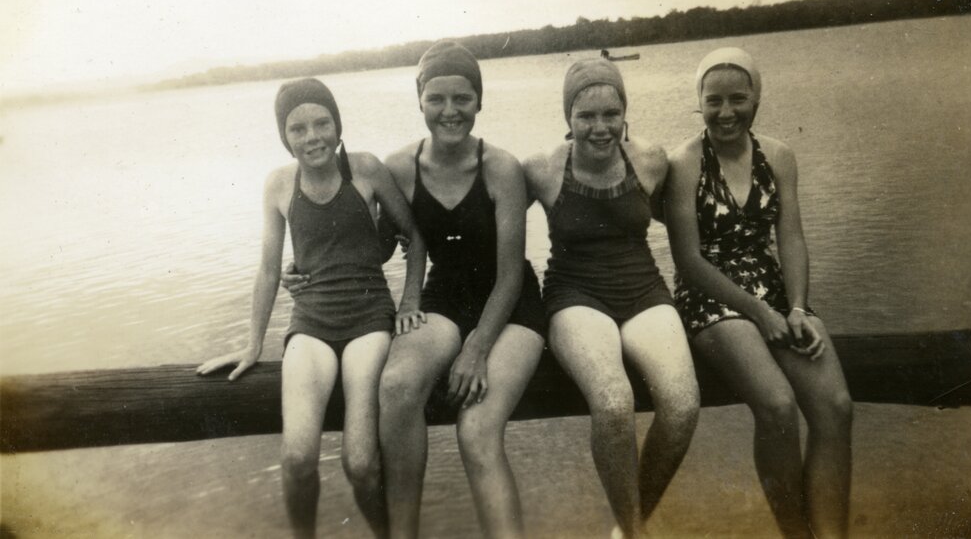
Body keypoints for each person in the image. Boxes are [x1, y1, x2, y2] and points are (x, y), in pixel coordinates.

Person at [285, 41, 547, 539]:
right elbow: (379, 246)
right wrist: (303, 267)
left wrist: (476, 348)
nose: (450, 111)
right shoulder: (400, 167)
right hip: (444, 295)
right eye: (437, 99)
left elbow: (511, 273)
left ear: (479, 101)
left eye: (462, 99)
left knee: (476, 432)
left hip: (510, 304)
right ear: (420, 101)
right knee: (396, 385)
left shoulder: (502, 168)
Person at [197, 77, 427, 539]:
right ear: (284, 136)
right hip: (310, 324)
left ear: (338, 126)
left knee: (360, 463)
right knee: (297, 459)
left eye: (322, 123)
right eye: (297, 128)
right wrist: (252, 343)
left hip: (368, 323)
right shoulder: (279, 185)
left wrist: (409, 301)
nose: (312, 137)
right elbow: (267, 270)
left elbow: (415, 237)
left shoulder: (366, 169)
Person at [664, 47, 852, 538]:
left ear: (757, 99)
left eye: (738, 99)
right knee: (777, 405)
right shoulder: (684, 164)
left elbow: (791, 237)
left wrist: (795, 307)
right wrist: (760, 314)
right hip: (710, 297)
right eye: (713, 101)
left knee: (835, 407)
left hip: (773, 291)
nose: (726, 112)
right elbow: (688, 260)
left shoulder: (779, 156)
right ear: (699, 104)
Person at [523, 58, 700, 539]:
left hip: (644, 289)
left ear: (625, 113)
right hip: (575, 294)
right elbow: (479, 224)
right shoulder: (541, 169)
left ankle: (627, 526)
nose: (600, 128)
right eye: (586, 116)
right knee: (614, 401)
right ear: (568, 118)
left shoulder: (650, 160)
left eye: (611, 114)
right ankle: (636, 532)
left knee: (683, 407)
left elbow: (690, 224)